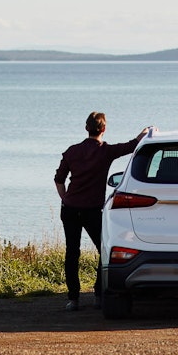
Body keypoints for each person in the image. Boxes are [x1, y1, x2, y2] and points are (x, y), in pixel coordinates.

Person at [54, 112, 151, 311]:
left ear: (86, 128)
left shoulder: (72, 151)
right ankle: (99, 294)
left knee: (72, 253)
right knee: (103, 251)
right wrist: (148, 132)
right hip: (91, 211)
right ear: (104, 129)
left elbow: (59, 179)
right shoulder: (105, 151)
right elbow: (132, 145)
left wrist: (65, 199)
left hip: (70, 210)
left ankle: (73, 299)